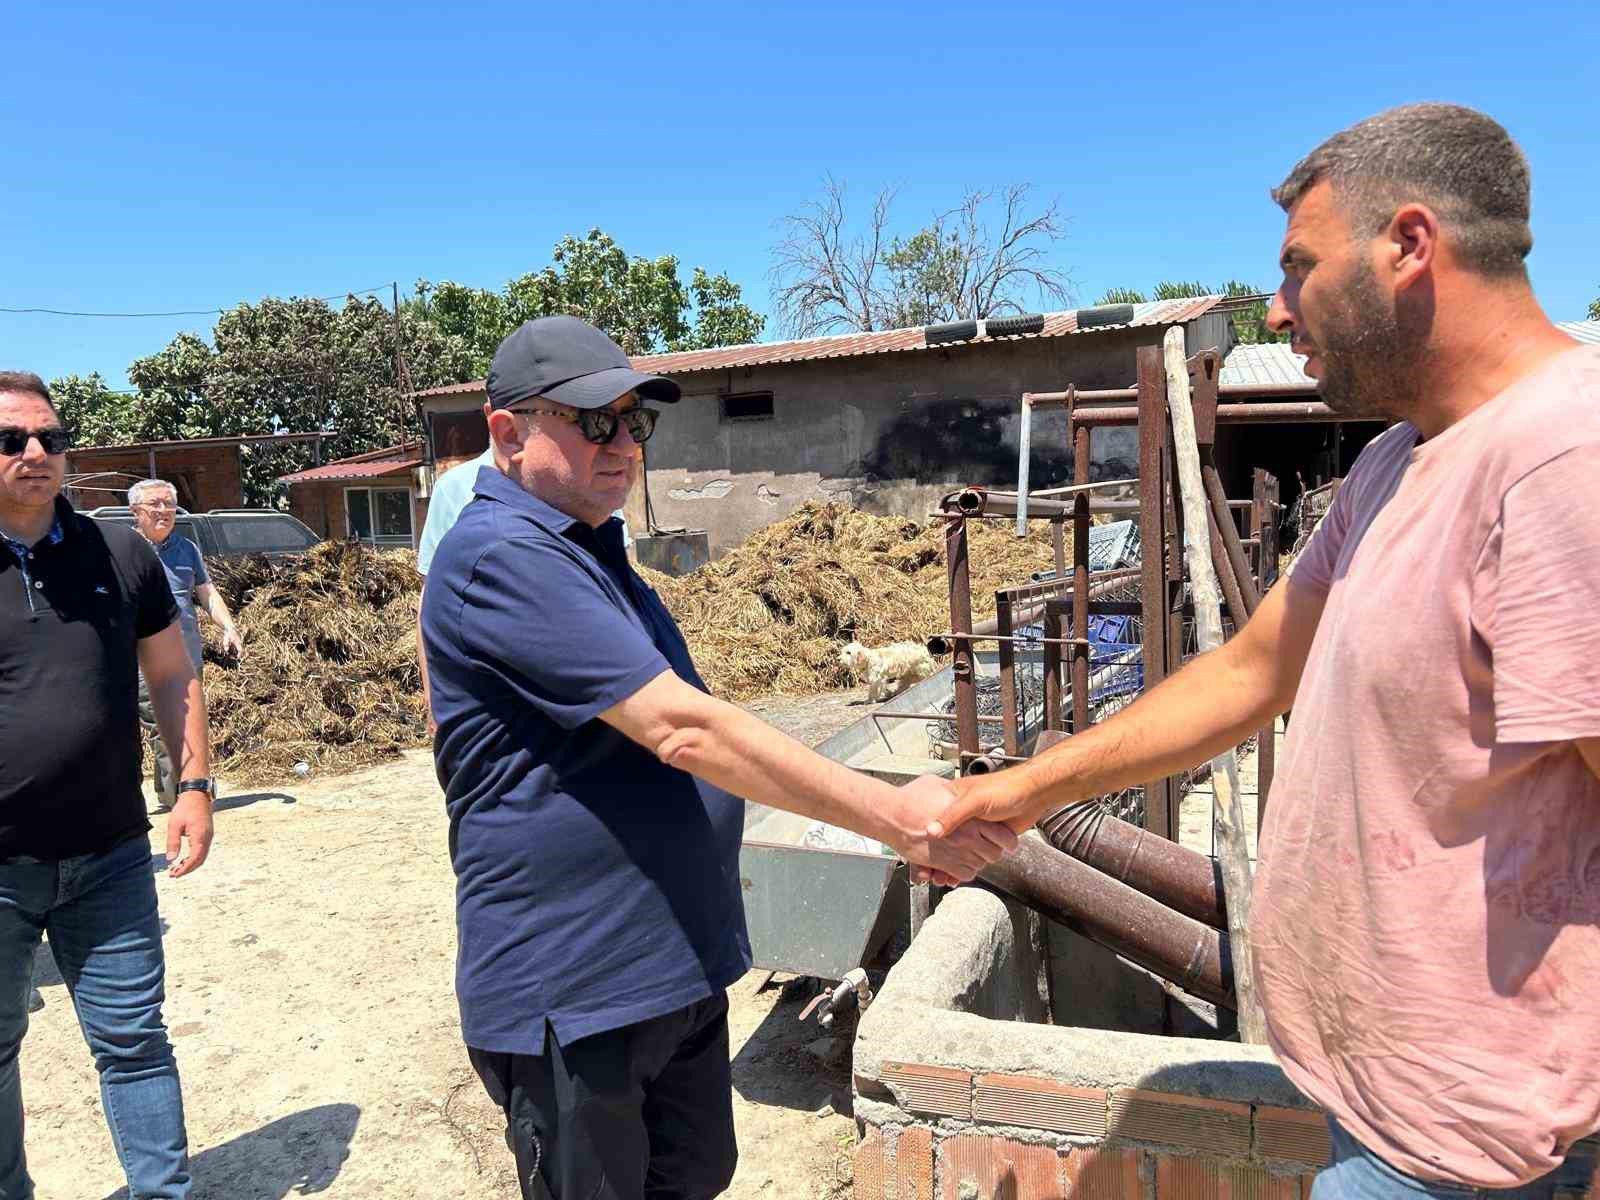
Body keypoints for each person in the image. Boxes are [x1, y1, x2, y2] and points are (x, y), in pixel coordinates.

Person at [928, 103, 1600, 1199]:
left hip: (1491, 1153)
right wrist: (1018, 788)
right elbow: (1251, 670)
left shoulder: (1563, 463)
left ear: (1410, 245)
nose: (1280, 310)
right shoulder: (1397, 464)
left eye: (1299, 268)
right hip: (1391, 1109)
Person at [421, 316, 1017, 1200]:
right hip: (578, 991)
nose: (625, 445)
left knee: (697, 1178)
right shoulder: (501, 555)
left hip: (667, 967)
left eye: (636, 422)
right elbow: (683, 729)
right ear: (507, 434)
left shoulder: (591, 550)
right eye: (594, 422)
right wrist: (892, 814)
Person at [0, 371, 215, 1199]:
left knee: (133, 1043)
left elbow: (172, 674)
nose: (35, 454)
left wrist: (193, 782)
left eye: (50, 439)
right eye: (12, 440)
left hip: (112, 856)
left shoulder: (119, 551)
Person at [415, 427, 628, 729]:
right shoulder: (456, 488)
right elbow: (432, 602)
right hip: (502, 698)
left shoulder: (592, 481)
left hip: (593, 674)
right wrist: (435, 703)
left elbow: (621, 581)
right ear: (503, 425)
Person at [129, 478, 243, 809]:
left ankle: (178, 791)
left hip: (187, 655)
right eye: (155, 504)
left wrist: (229, 627)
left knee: (189, 722)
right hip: (142, 659)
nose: (163, 511)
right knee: (163, 726)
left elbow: (207, 594)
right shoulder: (123, 549)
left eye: (169, 504)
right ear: (136, 510)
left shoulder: (187, 549)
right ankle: (179, 794)